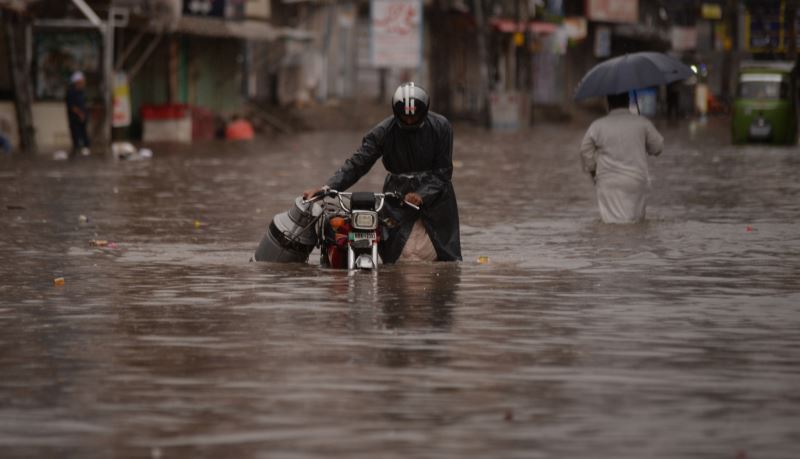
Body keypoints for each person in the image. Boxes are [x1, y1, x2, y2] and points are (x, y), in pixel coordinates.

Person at [303, 82, 461, 263]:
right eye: (405, 117)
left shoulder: (441, 127)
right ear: (396, 113)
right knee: (397, 255)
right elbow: (358, 163)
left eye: (415, 117)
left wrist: (421, 194)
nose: (410, 121)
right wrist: (327, 188)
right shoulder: (383, 131)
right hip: (397, 199)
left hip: (437, 202)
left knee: (442, 258)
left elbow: (443, 172)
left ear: (424, 112)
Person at [579, 92, 664, 224]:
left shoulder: (597, 125)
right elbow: (658, 148)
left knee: (611, 225)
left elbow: (585, 150)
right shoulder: (642, 122)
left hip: (608, 181)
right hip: (636, 180)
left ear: (608, 103)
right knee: (636, 225)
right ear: (628, 101)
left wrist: (594, 172)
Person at [65, 71, 90, 156]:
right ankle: (76, 152)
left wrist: (85, 114)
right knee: (76, 137)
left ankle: (85, 150)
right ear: (77, 82)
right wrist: (80, 113)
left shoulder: (81, 92)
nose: (83, 83)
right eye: (82, 81)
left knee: (85, 136)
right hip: (74, 119)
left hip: (82, 119)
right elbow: (72, 106)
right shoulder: (71, 92)